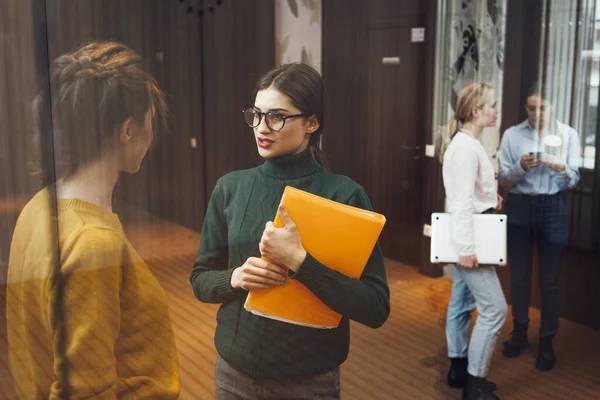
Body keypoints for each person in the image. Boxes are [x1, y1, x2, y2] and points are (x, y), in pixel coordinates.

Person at [189, 62, 390, 399]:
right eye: (256, 114)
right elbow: (200, 280)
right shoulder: (230, 188)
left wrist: (301, 262)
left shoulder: (344, 195)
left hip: (309, 381)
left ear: (312, 122)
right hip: (234, 373)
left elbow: (375, 307)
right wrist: (235, 277)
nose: (261, 128)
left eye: (277, 117)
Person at [6, 41, 180, 399]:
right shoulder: (91, 243)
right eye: (149, 120)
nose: (152, 134)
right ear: (127, 130)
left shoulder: (40, 206)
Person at [498, 84, 580, 371]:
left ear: (553, 106)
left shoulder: (568, 134)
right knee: (519, 277)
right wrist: (521, 167)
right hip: (519, 206)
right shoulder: (511, 135)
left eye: (542, 107)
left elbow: (574, 181)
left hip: (553, 208)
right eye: (531, 107)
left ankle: (547, 340)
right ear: (525, 107)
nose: (536, 113)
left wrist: (560, 167)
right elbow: (504, 181)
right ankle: (519, 331)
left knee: (550, 281)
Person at [440, 82, 507, 400]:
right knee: (495, 310)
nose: (497, 110)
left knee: (462, 303)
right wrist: (466, 251)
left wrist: (490, 196)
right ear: (475, 111)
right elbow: (460, 203)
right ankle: (475, 384)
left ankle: (461, 370)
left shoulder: (467, 143)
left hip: (473, 230)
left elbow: (469, 193)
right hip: (469, 240)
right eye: (493, 105)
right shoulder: (466, 147)